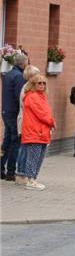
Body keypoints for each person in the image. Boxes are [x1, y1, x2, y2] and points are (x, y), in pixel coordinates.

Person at [18, 74, 55, 190]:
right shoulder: (32, 97)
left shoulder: (40, 96)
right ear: (33, 84)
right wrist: (52, 122)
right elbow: (42, 114)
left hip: (41, 131)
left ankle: (33, 179)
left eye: (44, 83)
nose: (42, 85)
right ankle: (30, 180)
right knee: (33, 157)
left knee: (39, 157)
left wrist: (50, 123)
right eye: (39, 83)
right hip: (35, 131)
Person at [2, 52, 28, 181]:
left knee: (6, 141)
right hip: (14, 112)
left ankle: (1, 167)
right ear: (23, 63)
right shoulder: (19, 76)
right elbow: (20, 96)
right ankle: (11, 171)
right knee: (15, 142)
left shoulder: (8, 74)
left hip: (6, 111)